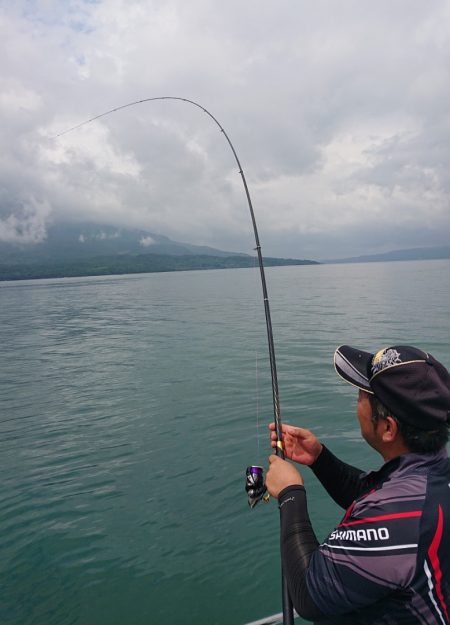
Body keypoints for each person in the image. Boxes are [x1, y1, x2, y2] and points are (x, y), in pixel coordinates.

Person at [266, 344, 450, 625]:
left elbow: (307, 594)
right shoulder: (432, 473)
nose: (357, 404)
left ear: (388, 428)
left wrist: (290, 494)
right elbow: (371, 493)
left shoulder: (403, 520)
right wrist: (319, 459)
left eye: (361, 396)